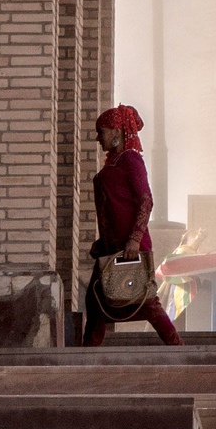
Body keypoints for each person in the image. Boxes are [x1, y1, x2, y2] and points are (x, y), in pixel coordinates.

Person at [83, 104, 183, 346]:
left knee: (147, 303)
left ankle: (178, 349)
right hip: (112, 249)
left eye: (102, 131)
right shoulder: (114, 162)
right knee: (95, 302)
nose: (98, 138)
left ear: (116, 132)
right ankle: (85, 360)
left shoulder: (130, 159)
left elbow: (146, 200)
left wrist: (135, 238)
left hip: (130, 248)